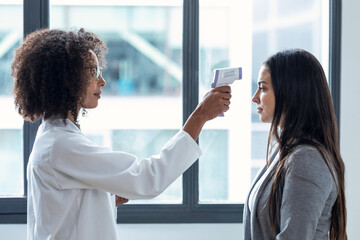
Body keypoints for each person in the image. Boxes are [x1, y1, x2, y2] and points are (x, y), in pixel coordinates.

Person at [11, 28, 231, 240]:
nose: (102, 81)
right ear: (66, 79)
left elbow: (66, 207)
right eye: (93, 72)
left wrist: (103, 198)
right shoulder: (61, 144)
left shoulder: (54, 137)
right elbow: (148, 178)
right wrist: (200, 116)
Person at [244, 49, 347, 240]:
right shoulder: (285, 150)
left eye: (263, 88)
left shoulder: (307, 159)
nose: (255, 97)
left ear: (290, 93)